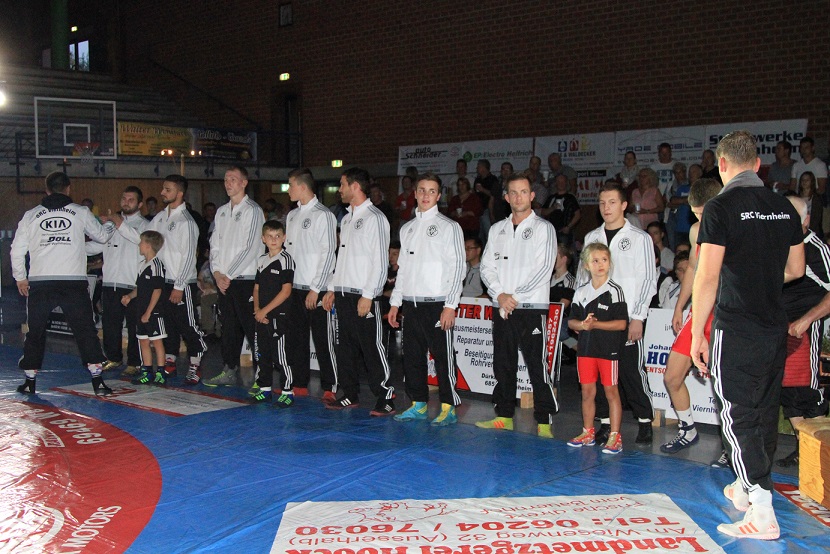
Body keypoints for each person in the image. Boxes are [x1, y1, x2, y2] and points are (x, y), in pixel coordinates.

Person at [691, 130, 805, 540]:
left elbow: (707, 277)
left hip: (737, 327)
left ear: (722, 165)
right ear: (757, 165)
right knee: (763, 410)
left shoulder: (720, 207)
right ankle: (745, 487)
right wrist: (762, 275)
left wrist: (697, 335)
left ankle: (762, 508)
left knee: (737, 413)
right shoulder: (783, 206)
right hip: (774, 328)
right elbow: (796, 270)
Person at [11, 172, 116, 396]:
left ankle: (29, 381)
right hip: (72, 282)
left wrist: (20, 277)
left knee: (35, 331)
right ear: (68, 189)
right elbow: (102, 237)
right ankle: (98, 381)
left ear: (46, 190)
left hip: (41, 282)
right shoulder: (80, 212)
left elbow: (17, 250)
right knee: (85, 330)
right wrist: (110, 225)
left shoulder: (31, 215)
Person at [476, 173, 559, 438]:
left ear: (532, 196)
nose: (518, 197)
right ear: (506, 197)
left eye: (523, 192)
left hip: (531, 306)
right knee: (503, 363)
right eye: (513, 192)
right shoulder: (496, 229)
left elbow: (544, 268)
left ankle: (544, 420)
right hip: (502, 306)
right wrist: (499, 294)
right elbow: (486, 267)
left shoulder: (544, 228)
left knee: (536, 365)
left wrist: (515, 297)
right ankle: (503, 416)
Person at [580, 182, 657, 445]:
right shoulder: (592, 237)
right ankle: (604, 422)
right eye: (602, 203)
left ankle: (645, 421)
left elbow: (648, 280)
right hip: (596, 318)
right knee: (601, 373)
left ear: (624, 205)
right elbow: (584, 278)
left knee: (631, 372)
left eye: (612, 202)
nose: (606, 207)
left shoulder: (639, 238)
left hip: (626, 316)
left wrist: (638, 317)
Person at [388, 172, 465, 425]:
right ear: (415, 193)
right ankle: (418, 404)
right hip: (411, 303)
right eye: (421, 190)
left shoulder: (449, 227)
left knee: (443, 357)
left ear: (439, 196)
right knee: (412, 356)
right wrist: (395, 302)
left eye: (432, 191)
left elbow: (458, 267)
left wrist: (450, 305)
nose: (425, 195)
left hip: (437, 303)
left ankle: (448, 406)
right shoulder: (407, 228)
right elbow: (403, 269)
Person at [118, 175, 206, 384]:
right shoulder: (159, 218)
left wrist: (179, 286)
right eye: (163, 189)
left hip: (180, 282)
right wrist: (120, 225)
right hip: (162, 281)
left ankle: (195, 364)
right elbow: (145, 241)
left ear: (179, 193)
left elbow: (189, 256)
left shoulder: (186, 222)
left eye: (167, 189)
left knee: (188, 325)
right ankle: (170, 362)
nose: (162, 193)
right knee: (167, 325)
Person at [322, 167, 396, 415]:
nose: (339, 190)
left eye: (342, 184)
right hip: (343, 293)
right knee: (345, 348)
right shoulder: (346, 219)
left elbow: (380, 261)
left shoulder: (375, 218)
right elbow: (341, 258)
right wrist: (332, 288)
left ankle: (386, 397)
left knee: (372, 347)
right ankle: (349, 394)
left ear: (355, 186)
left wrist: (369, 294)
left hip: (363, 294)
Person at [659, 178, 724, 457]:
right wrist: (679, 306)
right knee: (672, 376)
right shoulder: (697, 230)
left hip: (724, 312)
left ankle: (730, 444)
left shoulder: (733, 228)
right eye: (695, 213)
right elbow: (693, 270)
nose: (699, 218)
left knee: (727, 385)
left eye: (702, 212)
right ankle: (688, 429)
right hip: (699, 311)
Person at [777, 196, 830, 467]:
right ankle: (805, 450)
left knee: (806, 392)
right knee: (787, 393)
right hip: (778, 329)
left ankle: (821, 458)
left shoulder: (816, 249)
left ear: (806, 221)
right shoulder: (776, 245)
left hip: (802, 332)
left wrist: (807, 320)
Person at [203, 166, 265, 388]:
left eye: (233, 179)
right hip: (225, 281)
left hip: (246, 279)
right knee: (229, 328)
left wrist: (227, 275)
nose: (228, 183)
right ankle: (229, 369)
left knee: (252, 328)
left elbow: (250, 247)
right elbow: (214, 245)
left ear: (244, 183)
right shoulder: (221, 211)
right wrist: (217, 273)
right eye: (226, 179)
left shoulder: (253, 210)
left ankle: (262, 377)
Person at [283, 167, 339, 402]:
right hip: (295, 287)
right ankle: (299, 383)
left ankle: (330, 385)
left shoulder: (323, 215)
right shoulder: (292, 215)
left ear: (302, 187)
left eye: (290, 185)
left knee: (322, 339)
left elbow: (328, 253)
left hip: (317, 288)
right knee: (296, 338)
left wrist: (316, 289)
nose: (288, 190)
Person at [567, 243, 628, 454]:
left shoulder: (615, 291)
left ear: (609, 263)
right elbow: (571, 322)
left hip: (608, 350)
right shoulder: (581, 291)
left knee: (611, 391)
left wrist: (596, 325)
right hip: (585, 350)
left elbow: (622, 324)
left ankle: (615, 436)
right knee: (587, 392)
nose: (600, 264)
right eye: (595, 260)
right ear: (586, 265)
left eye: (604, 260)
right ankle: (588, 432)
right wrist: (583, 325)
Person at [86, 186, 148, 375]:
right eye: (123, 198)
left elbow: (141, 241)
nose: (126, 202)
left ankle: (135, 363)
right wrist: (74, 246)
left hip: (133, 285)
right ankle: (113, 357)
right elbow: (97, 245)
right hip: (110, 282)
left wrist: (119, 222)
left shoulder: (145, 225)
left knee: (135, 326)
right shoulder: (111, 225)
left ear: (140, 204)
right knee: (110, 324)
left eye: (131, 199)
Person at [252, 220, 297, 407]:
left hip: (279, 316)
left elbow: (286, 291)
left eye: (278, 236)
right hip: (261, 316)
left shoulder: (286, 260)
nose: (274, 239)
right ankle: (265, 389)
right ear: (263, 239)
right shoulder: (262, 260)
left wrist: (265, 310)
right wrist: (257, 310)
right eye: (270, 236)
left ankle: (287, 391)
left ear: (284, 238)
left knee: (281, 356)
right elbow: (256, 288)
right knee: (263, 354)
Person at [121, 231, 167, 385]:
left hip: (153, 311)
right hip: (141, 310)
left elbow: (157, 290)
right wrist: (130, 296)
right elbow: (140, 289)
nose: (139, 245)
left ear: (148, 245)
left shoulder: (156, 264)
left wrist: (149, 312)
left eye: (141, 242)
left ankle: (160, 372)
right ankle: (146, 372)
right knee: (143, 341)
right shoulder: (142, 265)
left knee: (157, 342)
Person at [540, 174, 581, 245]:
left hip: (565, 233)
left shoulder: (571, 198)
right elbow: (543, 212)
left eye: (563, 182)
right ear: (556, 183)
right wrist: (553, 208)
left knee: (565, 250)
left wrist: (568, 227)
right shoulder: (551, 198)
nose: (561, 184)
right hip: (551, 232)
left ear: (566, 183)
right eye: (559, 182)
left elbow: (577, 214)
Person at [667, 162, 691, 249]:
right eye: (676, 173)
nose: (678, 175)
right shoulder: (671, 184)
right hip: (671, 215)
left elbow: (690, 201)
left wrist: (679, 202)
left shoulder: (689, 184)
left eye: (680, 172)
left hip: (684, 216)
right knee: (673, 242)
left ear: (685, 172)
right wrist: (681, 202)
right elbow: (668, 201)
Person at [798, 171, 824, 239]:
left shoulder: (816, 199)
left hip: (813, 231)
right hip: (799, 230)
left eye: (807, 180)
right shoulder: (797, 198)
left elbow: (817, 218)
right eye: (803, 180)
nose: (804, 182)